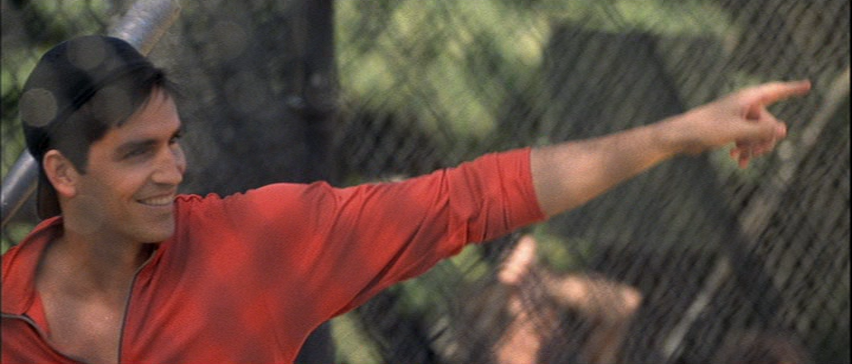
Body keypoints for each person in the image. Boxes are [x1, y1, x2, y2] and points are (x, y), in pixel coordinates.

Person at [0, 35, 810, 363]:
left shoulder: (263, 242)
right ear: (64, 176)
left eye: (175, 140)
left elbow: (476, 196)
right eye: (140, 152)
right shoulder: (10, 309)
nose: (175, 169)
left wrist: (673, 134)